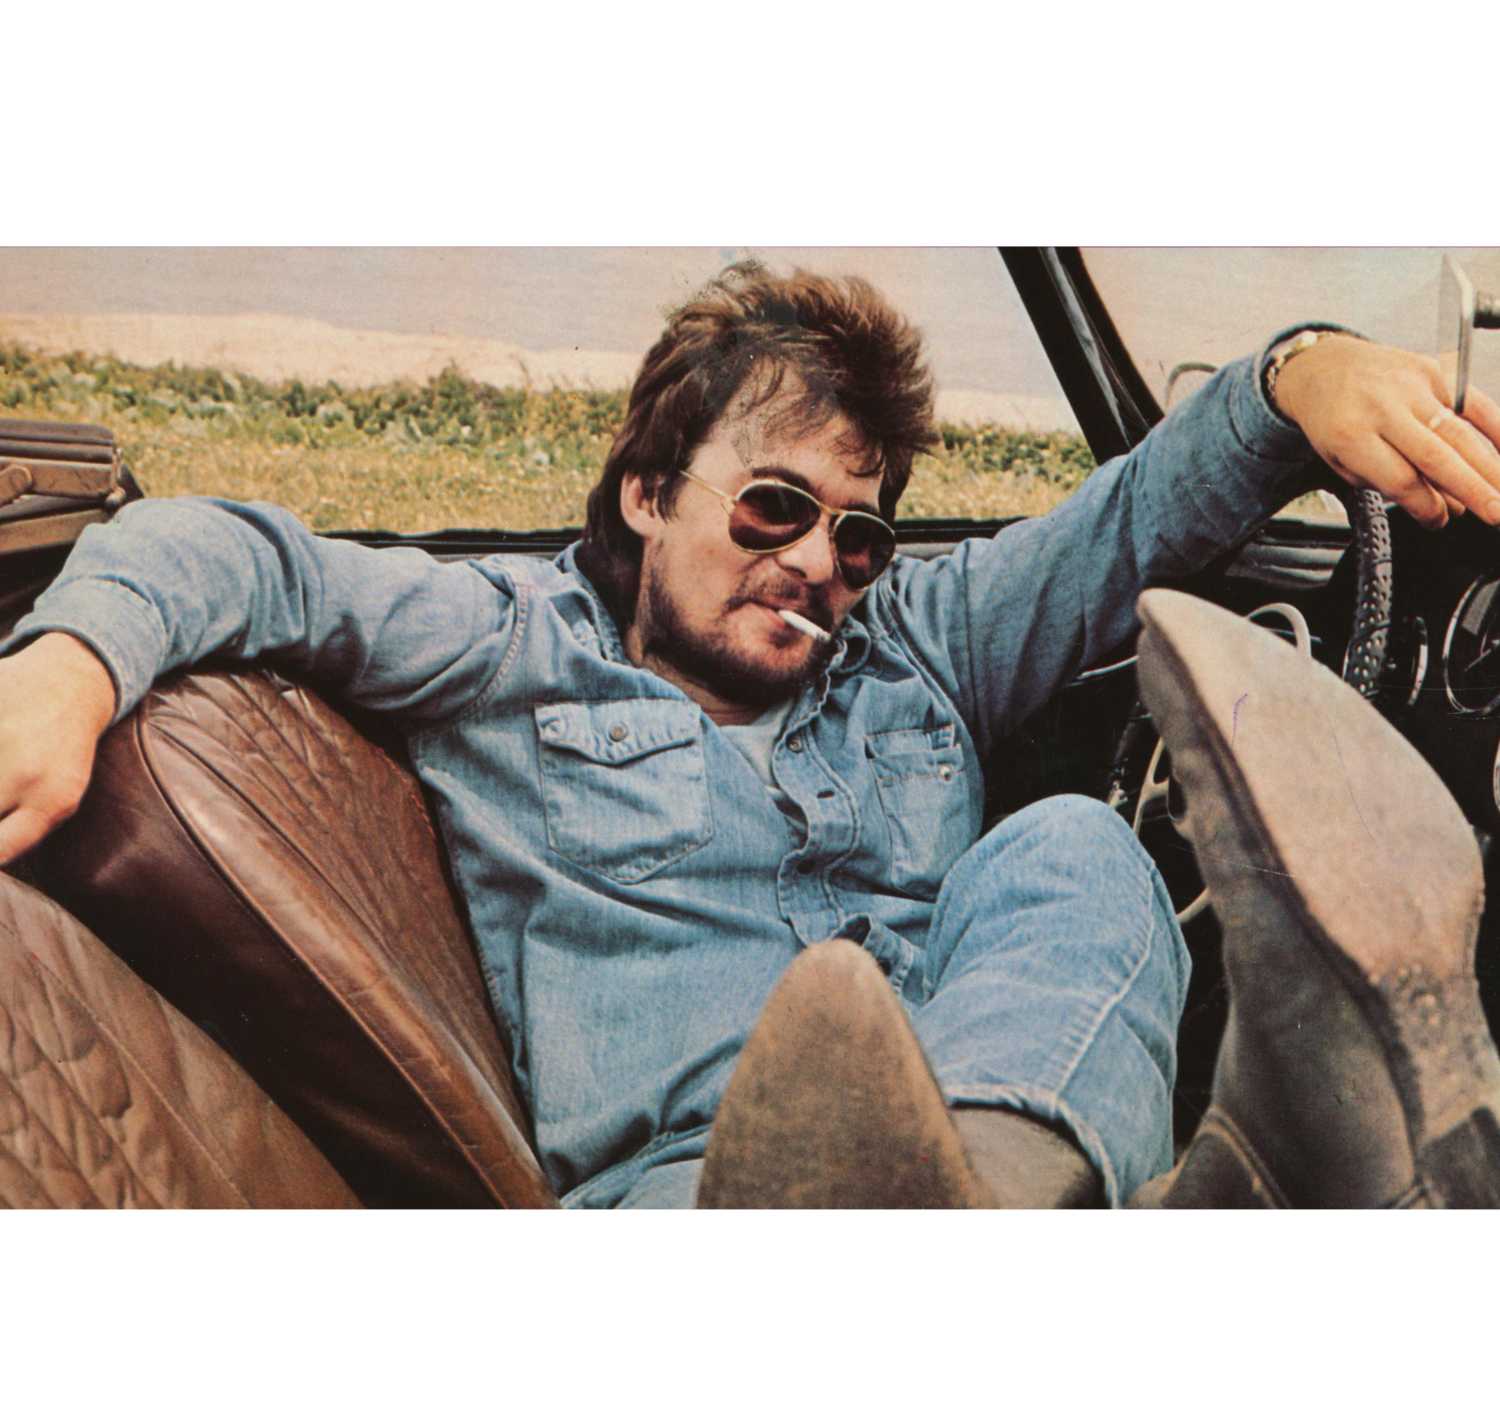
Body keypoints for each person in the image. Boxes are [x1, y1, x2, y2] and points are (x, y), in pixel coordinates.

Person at [4, 260, 1500, 1209]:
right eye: (773, 506)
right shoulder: (516, 641)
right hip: (695, 1195)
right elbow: (235, 551)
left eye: (858, 534)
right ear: (650, 493)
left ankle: (985, 1212)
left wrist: (1301, 373)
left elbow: (1139, 513)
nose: (815, 563)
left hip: (978, 1123)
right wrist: (67, 667)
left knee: (1073, 843)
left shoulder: (917, 638)